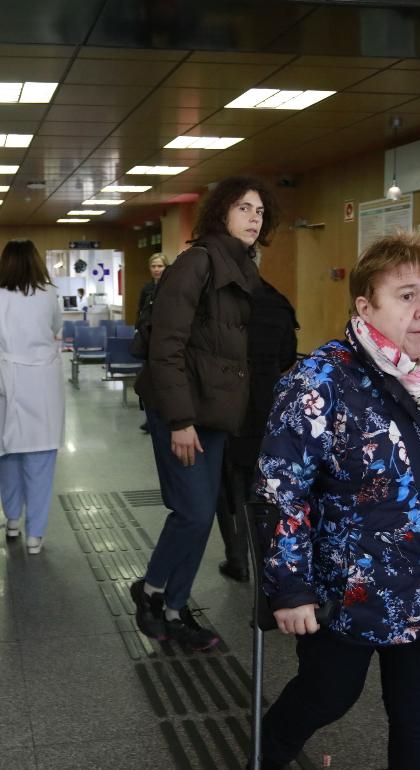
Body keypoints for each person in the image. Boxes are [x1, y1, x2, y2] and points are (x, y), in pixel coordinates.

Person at [254, 231, 420, 770]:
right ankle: (265, 753)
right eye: (406, 295)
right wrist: (289, 587)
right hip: (348, 591)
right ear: (365, 306)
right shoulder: (320, 381)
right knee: (327, 695)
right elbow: (279, 489)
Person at [130, 176, 278, 651]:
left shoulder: (241, 267)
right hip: (184, 412)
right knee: (193, 513)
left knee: (199, 513)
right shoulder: (197, 263)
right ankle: (152, 592)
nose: (254, 217)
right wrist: (179, 420)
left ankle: (174, 608)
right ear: (220, 214)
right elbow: (165, 346)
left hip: (214, 413)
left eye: (259, 210)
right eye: (244, 208)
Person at [0, 239, 64, 555]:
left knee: (8, 452)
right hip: (44, 380)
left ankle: (13, 519)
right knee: (41, 456)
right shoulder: (50, 292)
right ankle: (35, 534)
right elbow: (56, 328)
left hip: (6, 379)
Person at [213, 278, 297, 583]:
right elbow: (288, 353)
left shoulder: (219, 300)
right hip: (268, 404)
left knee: (227, 484)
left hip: (227, 404)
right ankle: (268, 564)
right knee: (265, 487)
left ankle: (238, 558)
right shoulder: (277, 300)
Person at [136, 253, 168, 433]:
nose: (156, 270)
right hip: (147, 340)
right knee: (146, 380)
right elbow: (140, 312)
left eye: (160, 266)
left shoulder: (171, 287)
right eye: (153, 266)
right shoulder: (147, 288)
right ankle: (149, 417)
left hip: (162, 341)